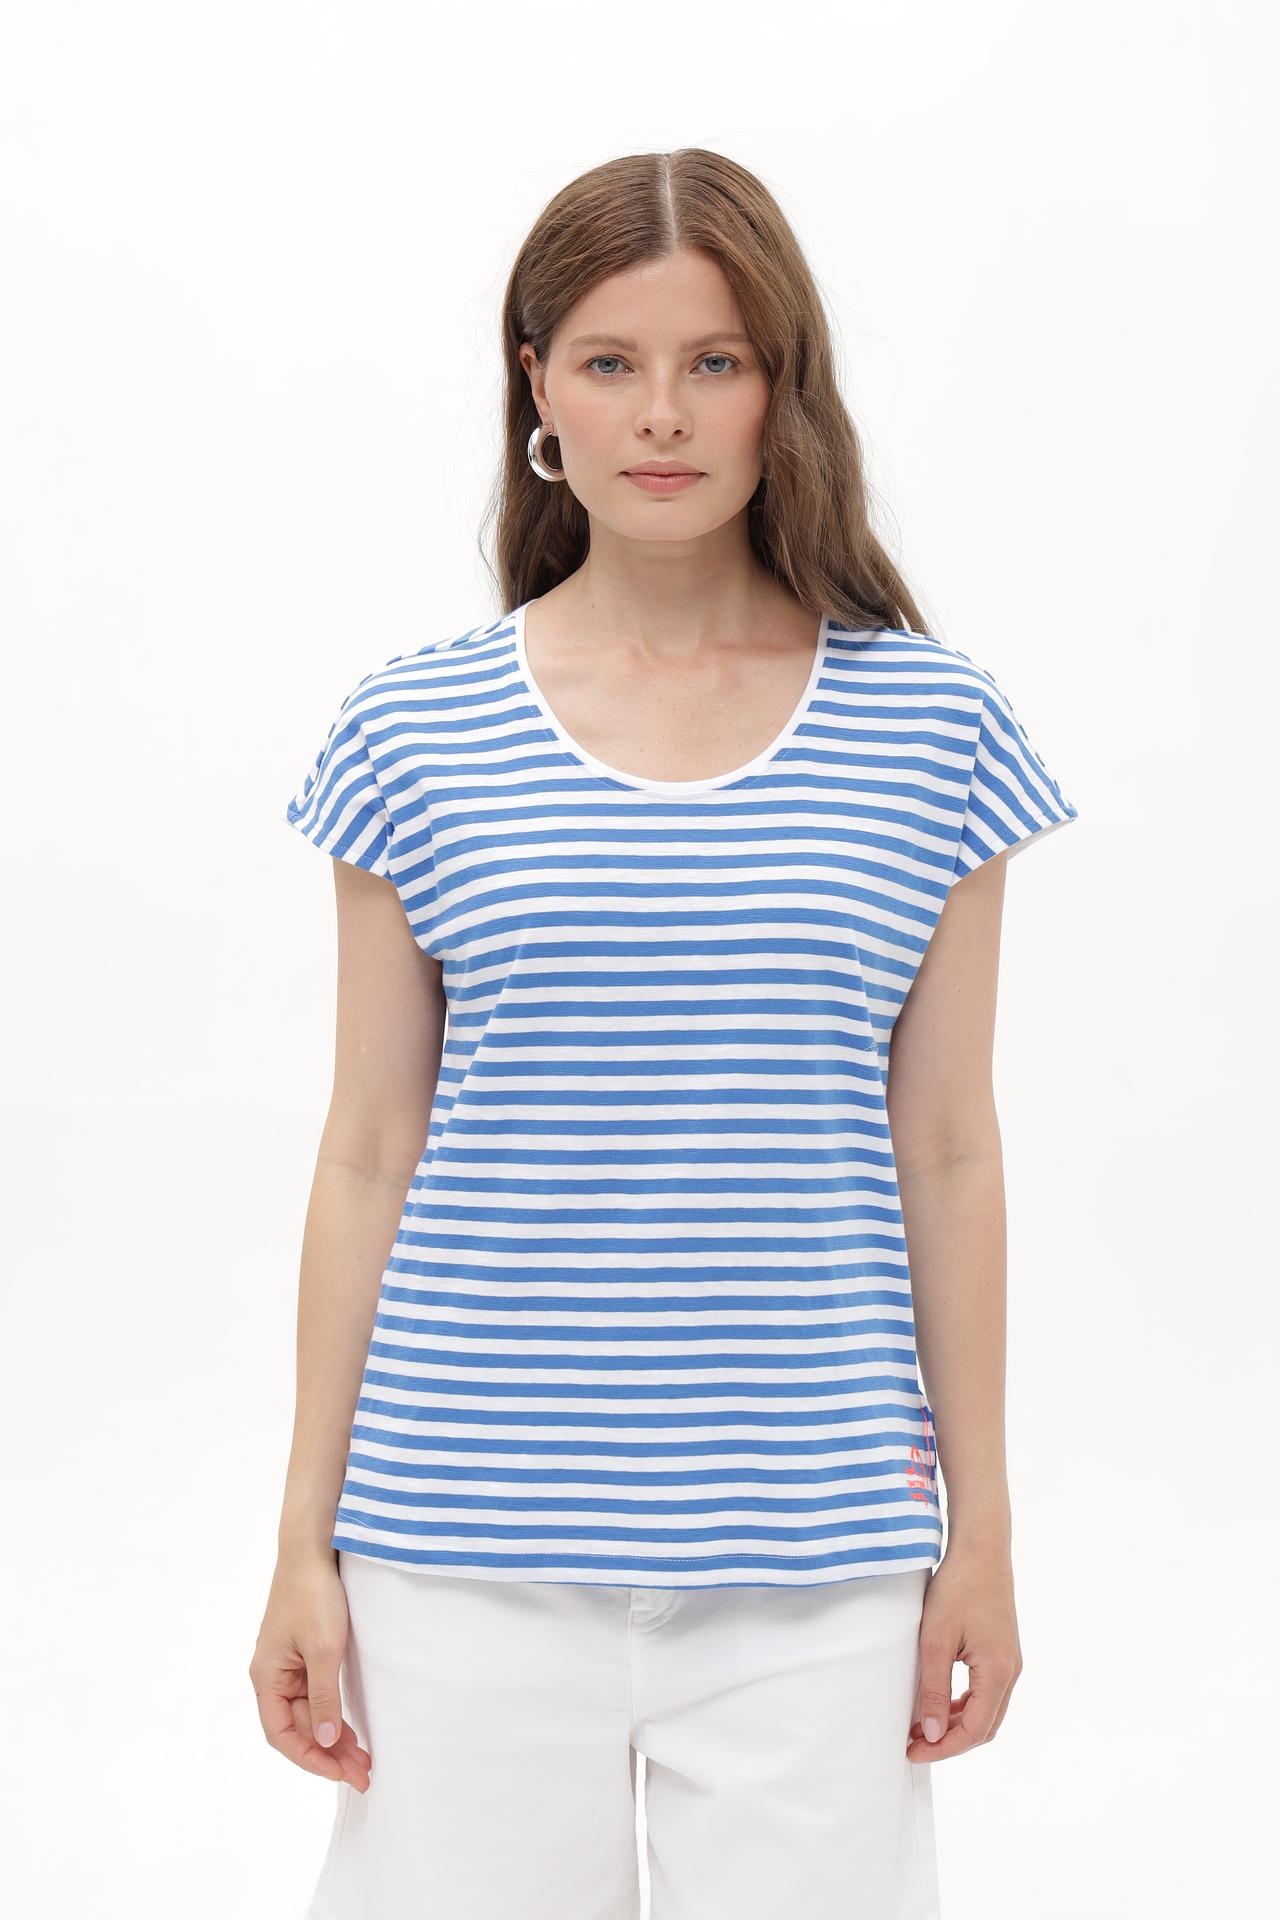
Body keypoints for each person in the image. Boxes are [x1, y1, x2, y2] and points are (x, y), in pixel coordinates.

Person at [250, 147, 1078, 1920]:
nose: (662, 415)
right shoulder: (415, 732)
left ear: (786, 387)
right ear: (536, 387)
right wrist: (300, 1541)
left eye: (716, 361)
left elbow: (949, 1148)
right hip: (458, 1546)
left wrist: (984, 1537)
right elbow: (367, 1150)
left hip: (820, 1557)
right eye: (611, 362)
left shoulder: (933, 728)